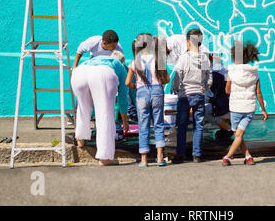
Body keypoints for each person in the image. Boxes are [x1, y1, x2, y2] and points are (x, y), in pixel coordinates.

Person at [71, 55, 129, 166]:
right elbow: (123, 98)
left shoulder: (96, 60)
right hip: (102, 74)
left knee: (83, 107)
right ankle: (105, 157)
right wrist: (125, 121)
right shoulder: (121, 67)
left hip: (79, 73)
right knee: (105, 112)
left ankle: (80, 139)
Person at [125, 33, 170, 167]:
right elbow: (166, 79)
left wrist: (136, 86)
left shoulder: (134, 61)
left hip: (141, 94)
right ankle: (160, 156)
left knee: (143, 126)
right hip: (157, 93)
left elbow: (127, 82)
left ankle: (144, 159)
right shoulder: (158, 59)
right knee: (158, 125)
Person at [222, 41, 268, 166]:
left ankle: (227, 157)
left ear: (234, 56)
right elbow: (259, 93)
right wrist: (263, 109)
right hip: (249, 108)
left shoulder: (231, 72)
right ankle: (248, 157)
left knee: (237, 135)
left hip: (235, 107)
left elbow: (227, 90)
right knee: (239, 135)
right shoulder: (255, 73)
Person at [171, 28, 213, 163]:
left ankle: (180, 155)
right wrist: (203, 88)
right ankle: (197, 155)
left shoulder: (183, 58)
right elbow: (210, 79)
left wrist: (175, 88)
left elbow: (178, 77)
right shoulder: (205, 58)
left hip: (184, 95)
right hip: (199, 94)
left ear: (188, 42)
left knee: (182, 125)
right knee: (198, 124)